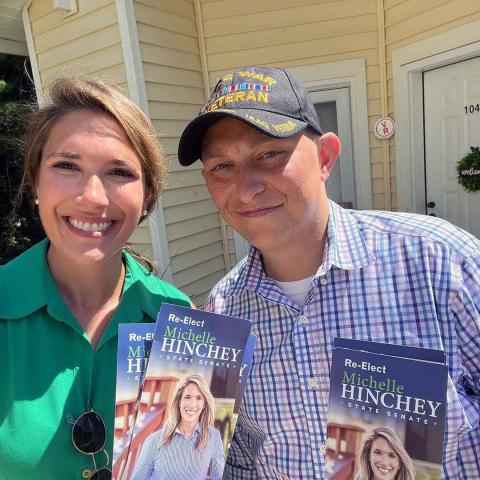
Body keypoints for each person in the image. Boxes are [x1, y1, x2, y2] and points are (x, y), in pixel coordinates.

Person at [177, 66, 480, 479]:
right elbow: (242, 462)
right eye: (221, 167)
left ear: (325, 157)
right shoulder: (221, 317)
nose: (245, 187)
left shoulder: (440, 262)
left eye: (269, 155)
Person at [0, 77, 191, 479]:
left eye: (119, 172)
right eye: (67, 166)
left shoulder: (179, 317)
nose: (93, 196)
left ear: (147, 198)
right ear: (36, 181)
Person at [131, 374, 225, 480]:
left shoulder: (213, 437)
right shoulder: (154, 440)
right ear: (179, 401)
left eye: (199, 398)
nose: (192, 404)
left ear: (204, 404)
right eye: (187, 397)